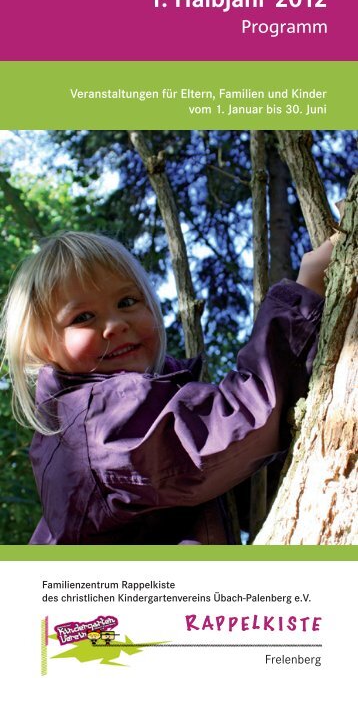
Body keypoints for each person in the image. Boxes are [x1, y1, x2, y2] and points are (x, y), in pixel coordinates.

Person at [1, 231, 333, 544]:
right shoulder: (95, 424)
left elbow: (252, 490)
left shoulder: (153, 403)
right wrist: (304, 299)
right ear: (44, 348)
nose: (116, 324)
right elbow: (239, 425)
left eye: (128, 301)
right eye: (83, 317)